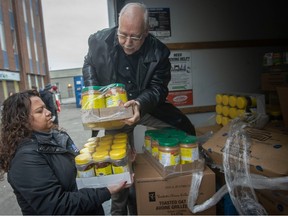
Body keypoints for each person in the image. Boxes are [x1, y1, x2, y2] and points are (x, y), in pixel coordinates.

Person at [82, 2, 196, 215]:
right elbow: (89, 63)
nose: (127, 42)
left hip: (146, 106)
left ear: (146, 32)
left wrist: (140, 104)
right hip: (115, 112)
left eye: (135, 37)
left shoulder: (159, 52)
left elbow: (158, 89)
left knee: (184, 132)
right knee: (117, 162)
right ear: (117, 26)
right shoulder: (98, 41)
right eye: (122, 35)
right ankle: (119, 210)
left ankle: (175, 190)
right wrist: (93, 92)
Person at [0, 90, 128, 215]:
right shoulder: (25, 160)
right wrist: (105, 191)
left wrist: (112, 164)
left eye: (45, 107)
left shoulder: (58, 137)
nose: (49, 112)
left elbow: (76, 172)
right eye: (40, 111)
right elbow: (57, 207)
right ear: (22, 120)